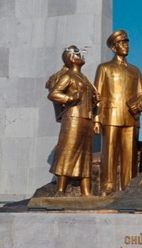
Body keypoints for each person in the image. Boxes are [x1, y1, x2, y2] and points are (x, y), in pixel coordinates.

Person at [94, 30, 142, 196]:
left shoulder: (135, 70)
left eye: (127, 43)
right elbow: (97, 95)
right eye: (122, 43)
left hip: (131, 117)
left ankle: (128, 185)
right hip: (110, 116)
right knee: (109, 153)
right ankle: (107, 185)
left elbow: (141, 94)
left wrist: (140, 111)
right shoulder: (104, 68)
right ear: (114, 47)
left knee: (129, 154)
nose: (126, 46)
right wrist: (96, 118)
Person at [47, 45, 99, 196]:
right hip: (73, 117)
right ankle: (61, 190)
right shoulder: (68, 76)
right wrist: (69, 98)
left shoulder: (85, 78)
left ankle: (86, 191)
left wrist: (95, 101)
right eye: (77, 54)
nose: (81, 56)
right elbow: (54, 94)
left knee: (86, 154)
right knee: (68, 151)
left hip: (86, 118)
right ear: (70, 58)